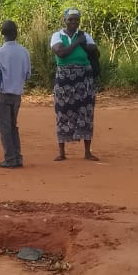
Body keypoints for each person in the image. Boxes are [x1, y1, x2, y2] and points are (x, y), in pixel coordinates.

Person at [50, 8, 99, 161]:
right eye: (70, 19)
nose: (73, 22)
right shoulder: (57, 35)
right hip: (64, 78)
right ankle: (62, 152)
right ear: (64, 20)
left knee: (86, 112)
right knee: (62, 111)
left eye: (76, 19)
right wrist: (78, 42)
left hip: (84, 78)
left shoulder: (85, 35)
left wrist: (82, 43)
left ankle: (87, 152)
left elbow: (94, 51)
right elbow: (61, 53)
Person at [0, 20, 31, 168]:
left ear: (2, 34)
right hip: (17, 94)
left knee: (5, 127)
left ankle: (10, 158)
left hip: (3, 94)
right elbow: (27, 74)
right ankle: (17, 156)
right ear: (16, 33)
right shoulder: (24, 52)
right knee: (13, 125)